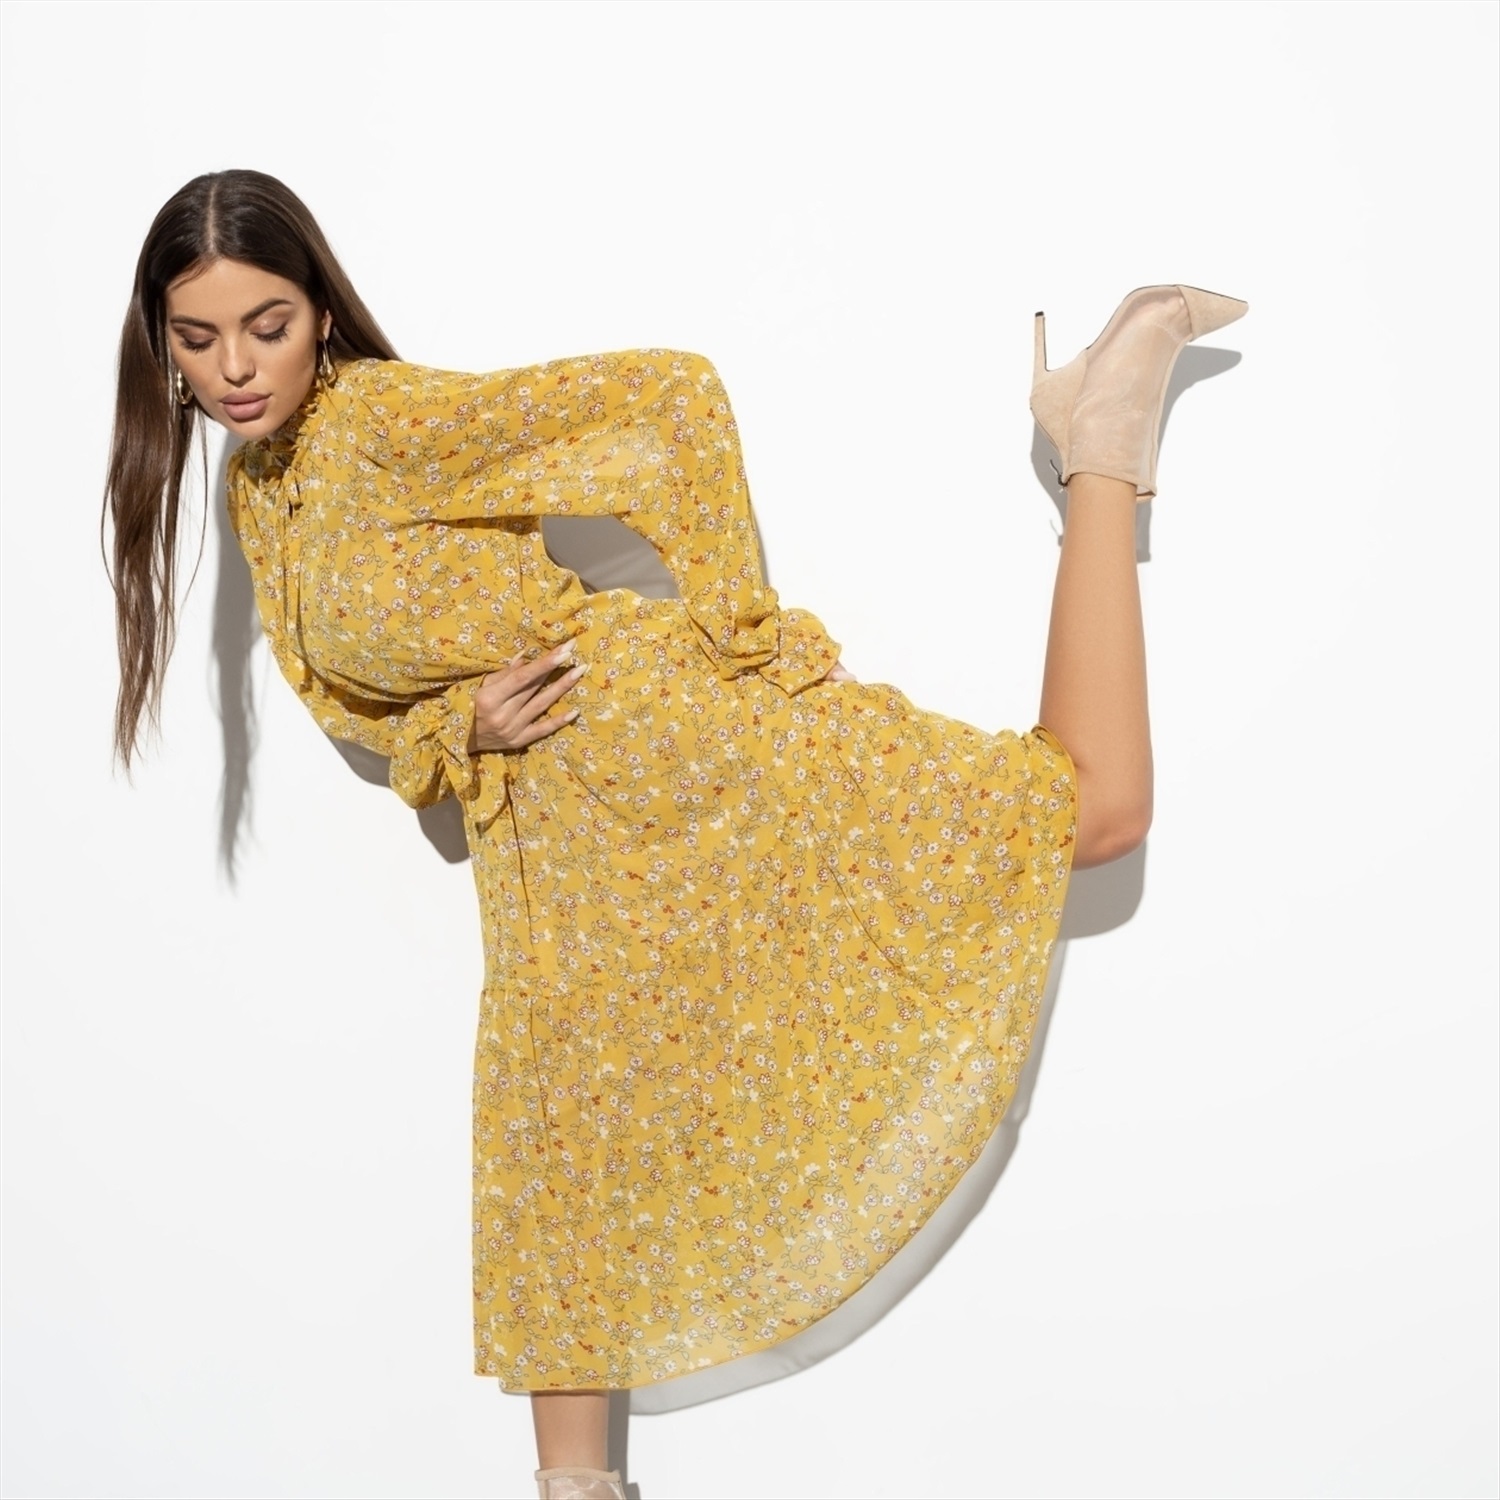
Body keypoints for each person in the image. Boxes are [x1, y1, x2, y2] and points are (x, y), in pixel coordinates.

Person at [105, 169, 1244, 1500]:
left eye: (269, 326)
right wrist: (462, 724)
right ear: (163, 349)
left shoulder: (380, 420)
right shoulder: (259, 492)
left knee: (1089, 812)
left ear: (318, 315)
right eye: (200, 340)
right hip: (552, 845)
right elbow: (359, 717)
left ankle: (1100, 435)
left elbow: (670, 398)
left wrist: (744, 639)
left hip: (666, 742)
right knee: (555, 1155)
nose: (238, 369)